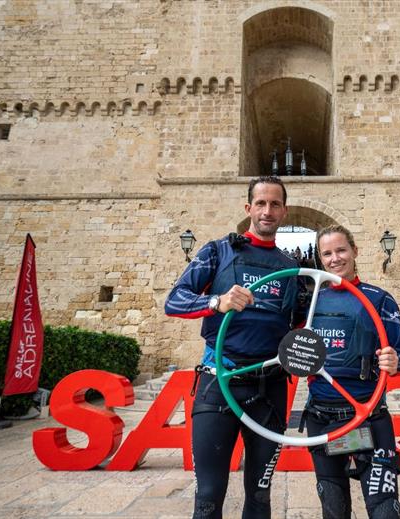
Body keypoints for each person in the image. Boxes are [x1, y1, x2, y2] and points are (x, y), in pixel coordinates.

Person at [164, 176, 304, 519]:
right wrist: (217, 301)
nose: (267, 211)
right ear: (248, 208)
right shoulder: (218, 251)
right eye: (260, 203)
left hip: (270, 390)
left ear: (284, 211)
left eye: (274, 204)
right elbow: (174, 301)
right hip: (219, 385)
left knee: (259, 495)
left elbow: (301, 324)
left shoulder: (291, 268)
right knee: (209, 496)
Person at [303, 225, 400, 519]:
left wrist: (394, 361)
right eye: (327, 253)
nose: (335, 258)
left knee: (385, 509)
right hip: (323, 420)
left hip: (369, 417)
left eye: (341, 250)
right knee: (334, 509)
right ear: (319, 259)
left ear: (354, 252)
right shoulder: (312, 303)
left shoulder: (379, 299)